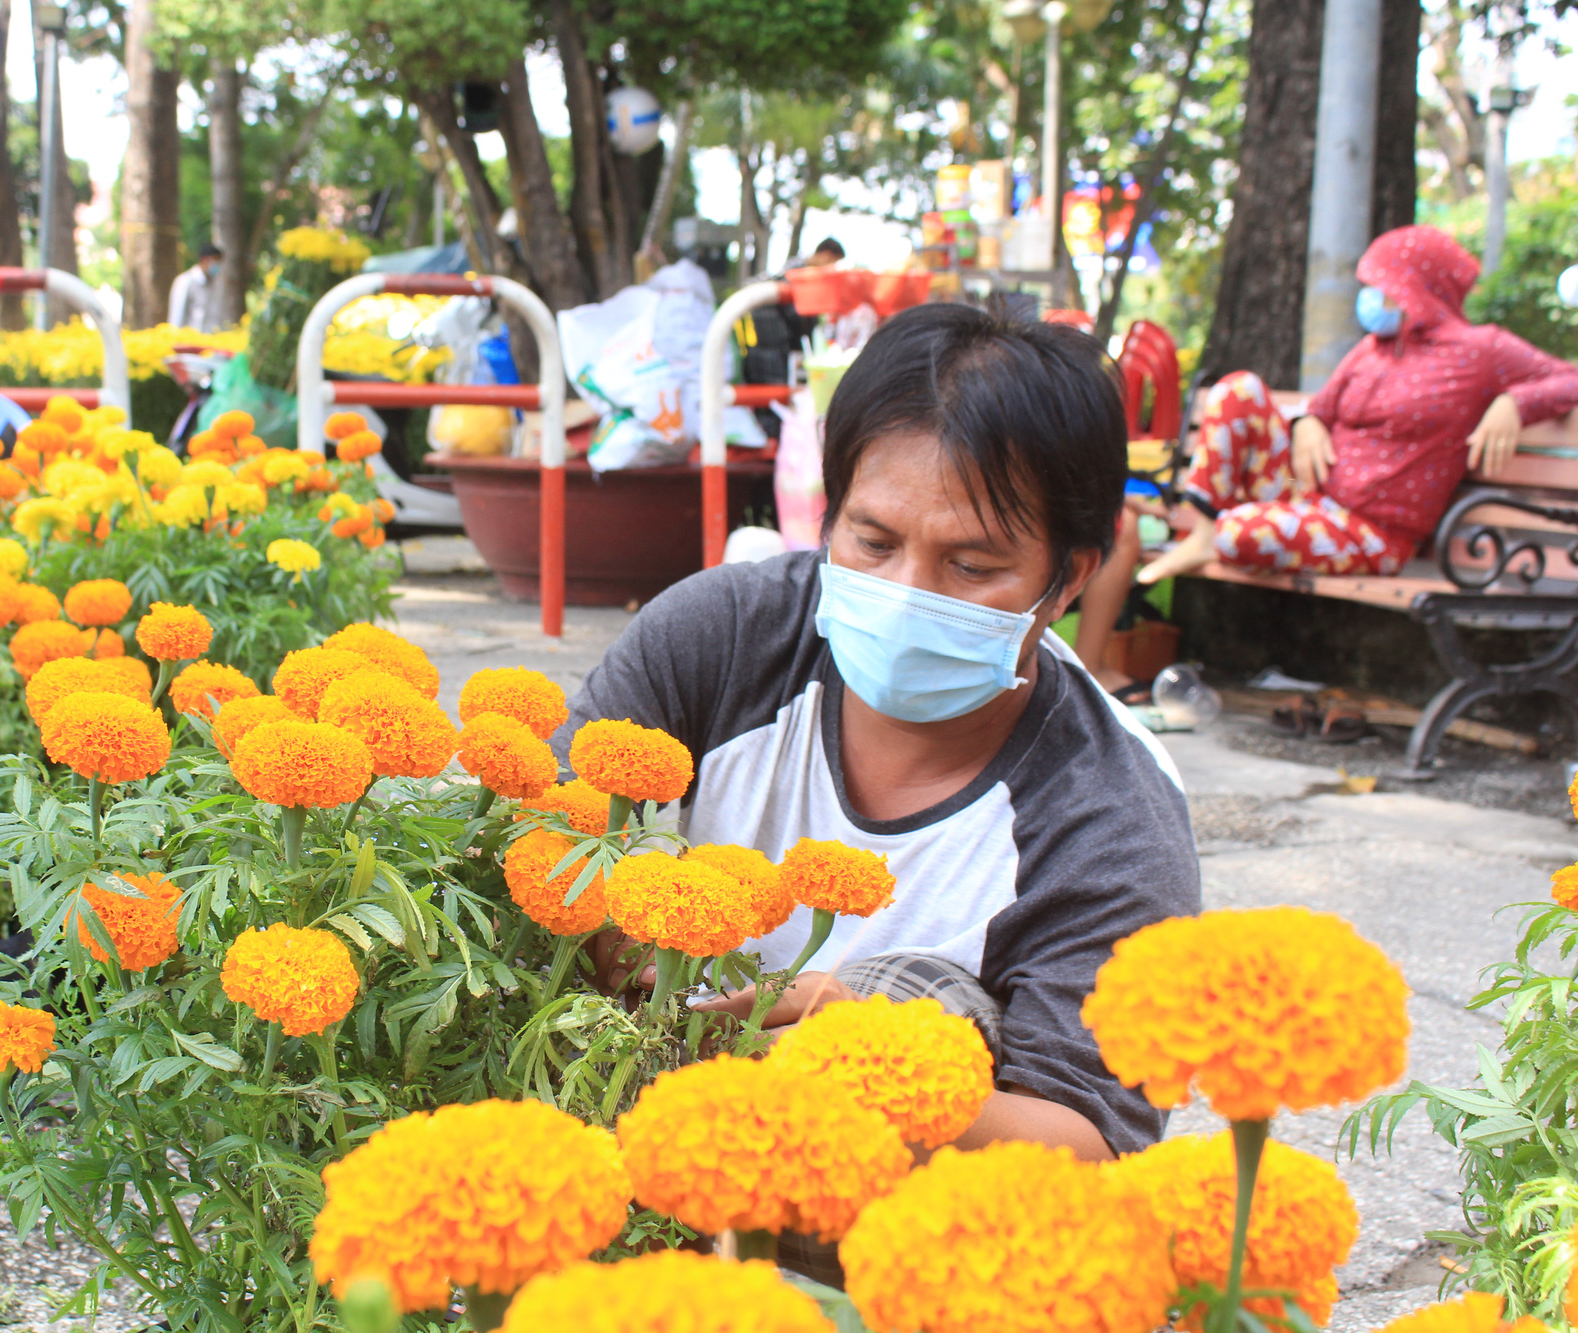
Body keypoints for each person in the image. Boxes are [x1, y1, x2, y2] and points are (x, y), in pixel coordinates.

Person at [557, 304, 1200, 1171]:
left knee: (924, 1001)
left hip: (877, 1214)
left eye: (971, 566)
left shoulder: (1111, 819)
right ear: (829, 515)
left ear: (1069, 576)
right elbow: (543, 827)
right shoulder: (723, 638)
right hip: (616, 1114)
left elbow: (1095, 1141)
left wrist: (875, 1063)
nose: (906, 592)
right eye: (873, 539)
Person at [1138, 225, 1578, 585]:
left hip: (1374, 534)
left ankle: (1212, 535)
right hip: (1308, 497)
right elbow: (1323, 407)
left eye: (1381, 285)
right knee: (1238, 388)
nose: (1369, 294)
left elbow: (1569, 378)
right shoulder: (1373, 349)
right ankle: (1200, 532)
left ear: (1415, 289)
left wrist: (1514, 402)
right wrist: (1310, 422)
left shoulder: (1481, 350)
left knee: (1235, 531)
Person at [168, 244, 223, 332]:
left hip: (207, 340)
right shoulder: (186, 281)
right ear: (205, 260)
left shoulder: (213, 284)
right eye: (216, 262)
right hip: (188, 340)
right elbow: (177, 317)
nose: (218, 266)